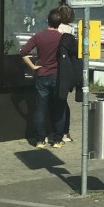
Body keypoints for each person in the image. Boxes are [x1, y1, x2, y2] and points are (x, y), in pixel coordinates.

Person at [19, 10, 67, 148]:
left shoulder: (38, 36)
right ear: (60, 23)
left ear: (48, 21)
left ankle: (40, 140)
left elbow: (23, 52)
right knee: (59, 108)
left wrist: (33, 67)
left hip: (42, 75)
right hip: (57, 75)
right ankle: (57, 140)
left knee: (40, 109)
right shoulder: (62, 38)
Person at [55, 5, 79, 143]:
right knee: (63, 102)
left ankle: (56, 130)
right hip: (68, 68)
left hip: (56, 67)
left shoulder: (57, 29)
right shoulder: (71, 30)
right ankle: (65, 131)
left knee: (56, 101)